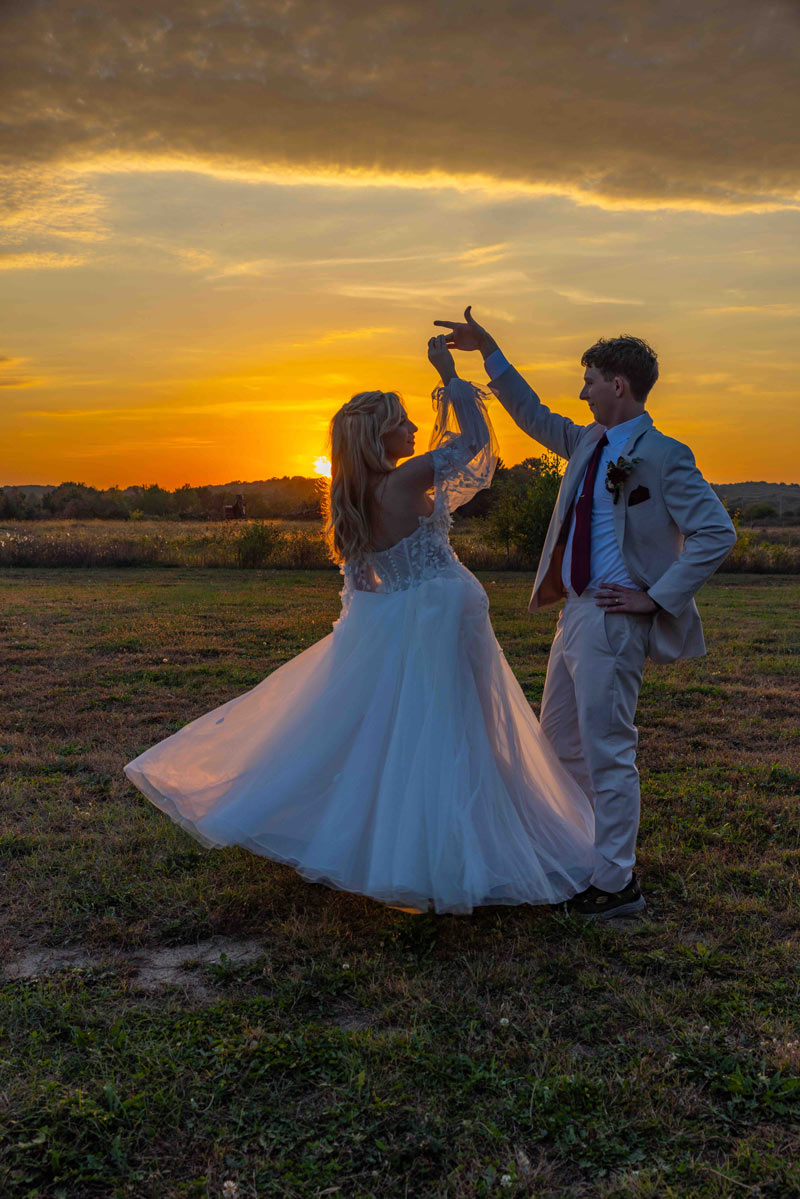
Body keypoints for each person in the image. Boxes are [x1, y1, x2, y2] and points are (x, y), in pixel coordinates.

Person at [124, 335, 596, 915]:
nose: (413, 432)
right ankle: (452, 856)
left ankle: (405, 849)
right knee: (458, 732)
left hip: (400, 622)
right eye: (402, 424)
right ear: (378, 438)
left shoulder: (351, 500)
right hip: (441, 621)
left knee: (408, 735)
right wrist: (449, 375)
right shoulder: (403, 482)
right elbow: (474, 444)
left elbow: (362, 588)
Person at [433, 308, 737, 917]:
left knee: (608, 749)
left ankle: (618, 884)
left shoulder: (665, 456)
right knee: (560, 746)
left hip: (614, 620)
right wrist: (489, 349)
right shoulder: (588, 442)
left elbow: (716, 533)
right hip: (572, 616)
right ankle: (578, 858)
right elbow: (533, 415)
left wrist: (654, 597)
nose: (582, 391)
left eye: (590, 380)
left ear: (618, 385)